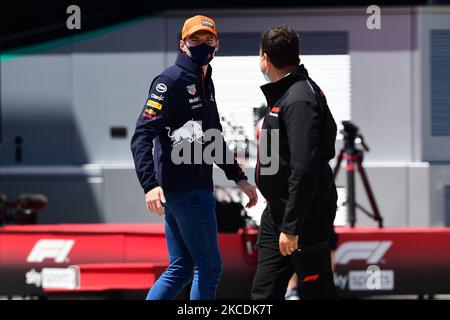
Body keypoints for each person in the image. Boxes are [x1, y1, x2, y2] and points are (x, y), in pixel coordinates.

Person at [130, 15, 258, 300]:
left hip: (196, 188)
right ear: (182, 44)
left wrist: (238, 177)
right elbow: (141, 135)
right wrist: (149, 184)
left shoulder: (205, 79)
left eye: (208, 39)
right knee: (209, 268)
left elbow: (213, 135)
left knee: (182, 268)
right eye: (195, 40)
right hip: (183, 190)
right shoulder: (170, 81)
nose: (202, 45)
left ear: (217, 45)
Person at [251, 25, 338, 300]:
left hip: (303, 219)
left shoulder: (300, 98)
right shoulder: (284, 94)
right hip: (277, 214)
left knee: (316, 292)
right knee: (263, 294)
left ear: (265, 58)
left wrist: (292, 226)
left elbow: (304, 167)